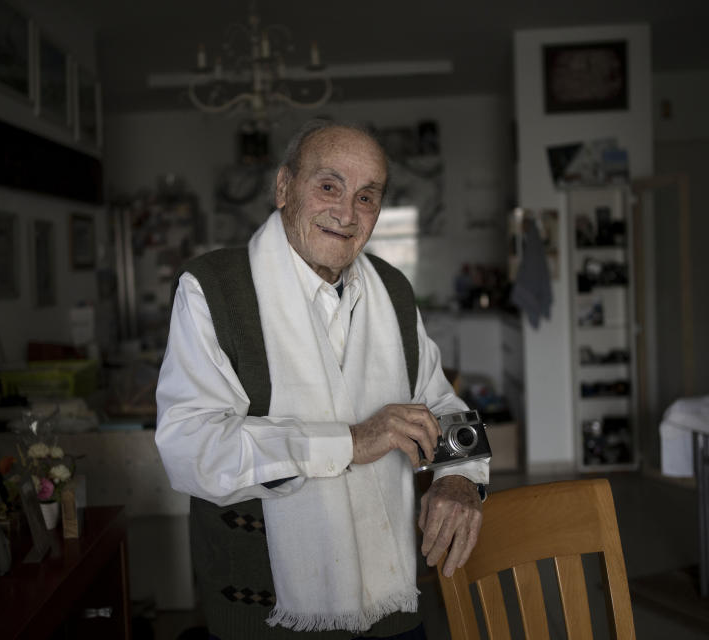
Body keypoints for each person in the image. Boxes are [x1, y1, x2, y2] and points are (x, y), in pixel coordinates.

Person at [156, 119, 489, 640]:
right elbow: (189, 449)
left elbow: (441, 405)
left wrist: (459, 477)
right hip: (269, 618)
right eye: (329, 186)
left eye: (366, 197)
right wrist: (351, 442)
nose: (346, 212)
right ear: (284, 187)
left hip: (392, 608)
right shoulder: (212, 288)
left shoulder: (394, 291)